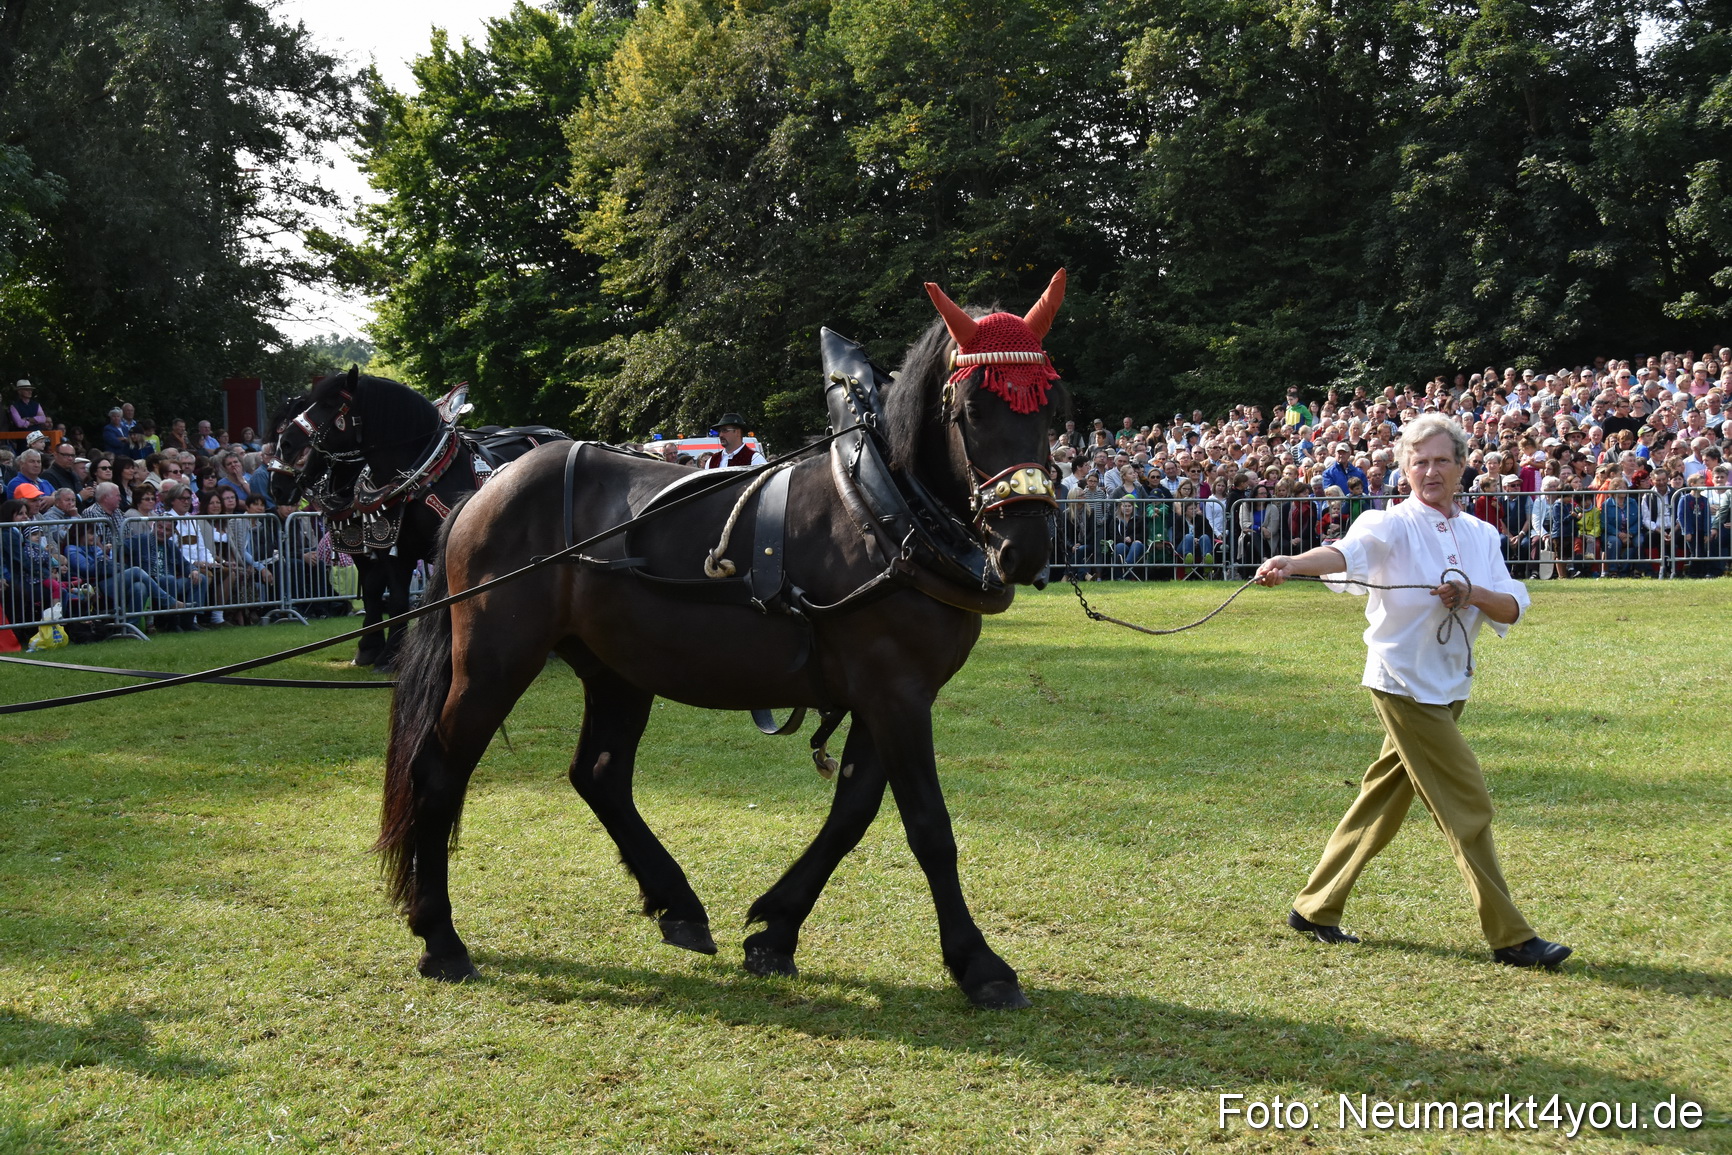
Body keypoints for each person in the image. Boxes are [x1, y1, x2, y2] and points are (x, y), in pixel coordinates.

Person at [1255, 413, 1570, 969]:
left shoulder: (1481, 534)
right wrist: (1290, 562)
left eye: (1441, 460)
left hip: (1450, 686)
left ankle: (1314, 907)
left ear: (1461, 465)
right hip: (1401, 682)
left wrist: (1470, 592)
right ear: (1403, 467)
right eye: (1418, 461)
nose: (1430, 471)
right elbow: (1343, 555)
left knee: (1380, 799)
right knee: (1467, 803)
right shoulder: (1388, 523)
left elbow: (1513, 606)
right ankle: (1511, 936)